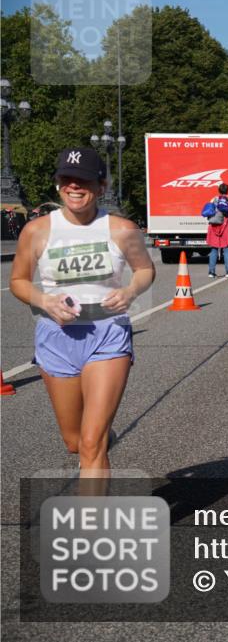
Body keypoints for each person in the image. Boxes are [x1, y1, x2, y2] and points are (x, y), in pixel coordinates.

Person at [9, 148, 155, 481]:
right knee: (75, 442)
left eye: (84, 180)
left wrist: (130, 291)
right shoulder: (37, 230)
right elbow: (17, 281)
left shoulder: (121, 229)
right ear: (58, 183)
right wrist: (45, 302)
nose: (74, 186)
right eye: (66, 179)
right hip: (56, 338)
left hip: (107, 334)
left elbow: (145, 270)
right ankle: (101, 441)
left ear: (101, 186)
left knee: (91, 444)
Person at [206, 182, 228, 278]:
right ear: (227, 190)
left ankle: (211, 272)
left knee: (214, 248)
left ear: (219, 190)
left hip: (214, 225)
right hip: (226, 225)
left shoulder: (214, 199)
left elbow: (210, 211)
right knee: (227, 248)